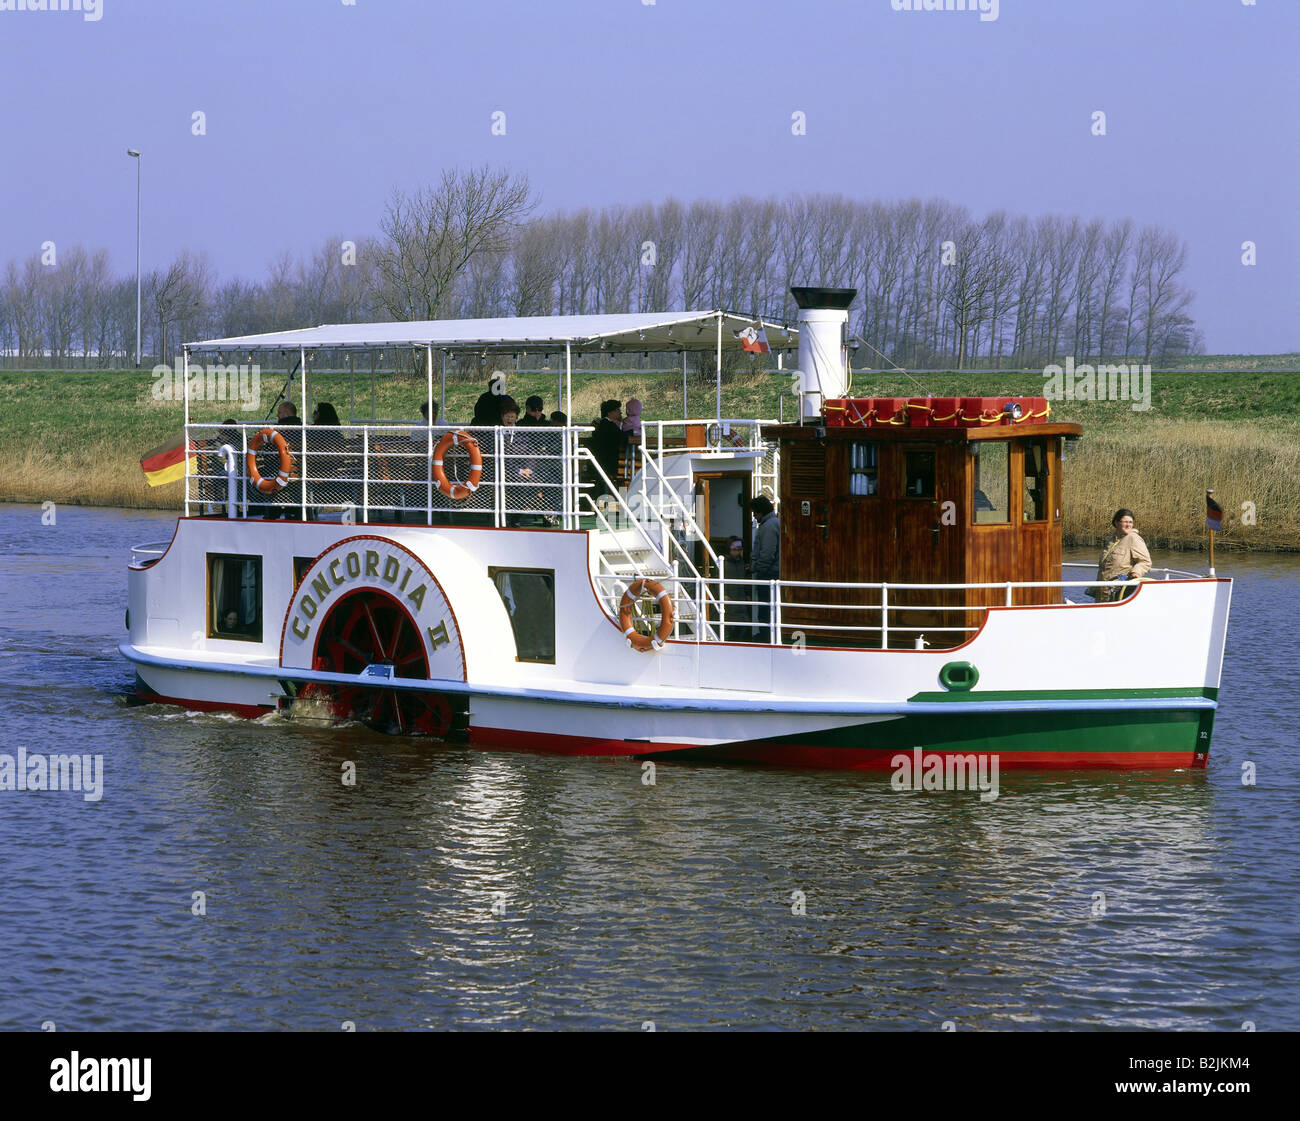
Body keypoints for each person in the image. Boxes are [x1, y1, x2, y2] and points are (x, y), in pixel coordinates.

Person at [1091, 508, 1152, 601]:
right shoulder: (1111, 539)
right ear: (1116, 523)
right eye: (1125, 522)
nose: (1128, 525)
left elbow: (1145, 562)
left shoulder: (1133, 538)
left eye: (1130, 522)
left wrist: (1136, 572)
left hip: (1118, 591)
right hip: (1103, 590)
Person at [749, 496, 780, 638]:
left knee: (766, 608)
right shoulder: (772, 523)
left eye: (755, 512)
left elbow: (767, 553)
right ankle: (767, 635)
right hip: (771, 572)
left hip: (768, 574)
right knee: (769, 607)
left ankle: (766, 636)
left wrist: (757, 569)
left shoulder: (768, 526)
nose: (754, 516)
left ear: (761, 511)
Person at [588, 399, 628, 497]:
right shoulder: (609, 426)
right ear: (610, 412)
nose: (620, 412)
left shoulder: (601, 424)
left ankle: (602, 508)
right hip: (609, 464)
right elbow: (623, 438)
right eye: (618, 410)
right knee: (624, 478)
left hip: (600, 463)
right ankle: (613, 508)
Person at [722, 535, 750, 641]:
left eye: (740, 549)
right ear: (728, 549)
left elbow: (746, 580)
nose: (737, 552)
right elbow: (717, 580)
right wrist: (723, 594)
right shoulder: (723, 562)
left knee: (743, 624)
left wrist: (747, 594)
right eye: (735, 549)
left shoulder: (742, 562)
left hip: (741, 597)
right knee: (728, 623)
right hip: (729, 597)